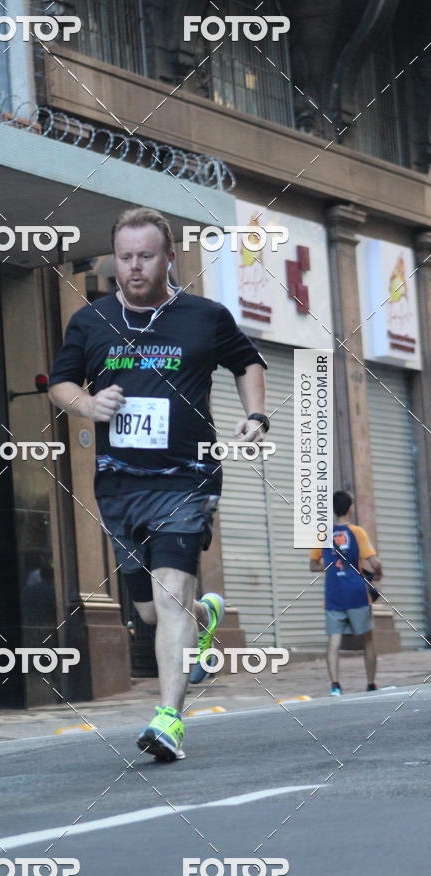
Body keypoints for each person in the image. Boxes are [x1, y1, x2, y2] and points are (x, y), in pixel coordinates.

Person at [48, 207, 268, 761]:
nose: (135, 267)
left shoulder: (204, 316)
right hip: (119, 483)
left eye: (146, 256)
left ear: (168, 257)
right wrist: (90, 404)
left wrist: (257, 416)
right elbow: (61, 384)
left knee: (170, 595)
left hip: (186, 477)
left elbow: (247, 362)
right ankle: (205, 615)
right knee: (150, 611)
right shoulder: (91, 321)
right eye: (125, 258)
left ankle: (169, 717)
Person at [310, 490, 383, 696]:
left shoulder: (324, 534)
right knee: (367, 638)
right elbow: (375, 562)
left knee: (334, 640)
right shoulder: (358, 532)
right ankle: (370, 683)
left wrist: (332, 567)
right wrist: (378, 572)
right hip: (357, 593)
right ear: (350, 507)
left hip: (334, 594)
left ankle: (335, 685)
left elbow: (313, 565)